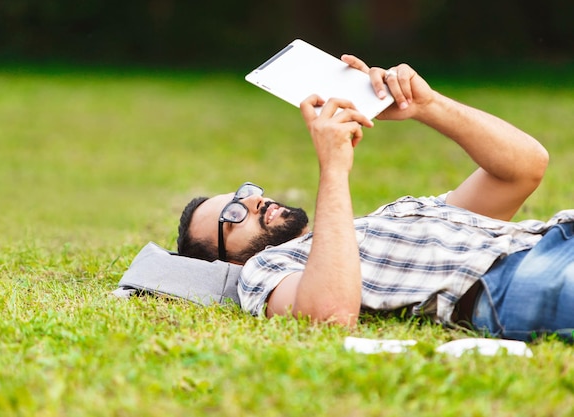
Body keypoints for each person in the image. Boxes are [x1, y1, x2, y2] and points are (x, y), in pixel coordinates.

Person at [177, 54, 574, 342]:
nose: (253, 202)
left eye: (245, 193)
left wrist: (426, 106)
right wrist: (333, 167)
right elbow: (329, 318)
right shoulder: (264, 270)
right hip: (513, 280)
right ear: (226, 258)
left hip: (555, 238)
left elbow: (523, 168)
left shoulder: (380, 222)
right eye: (233, 214)